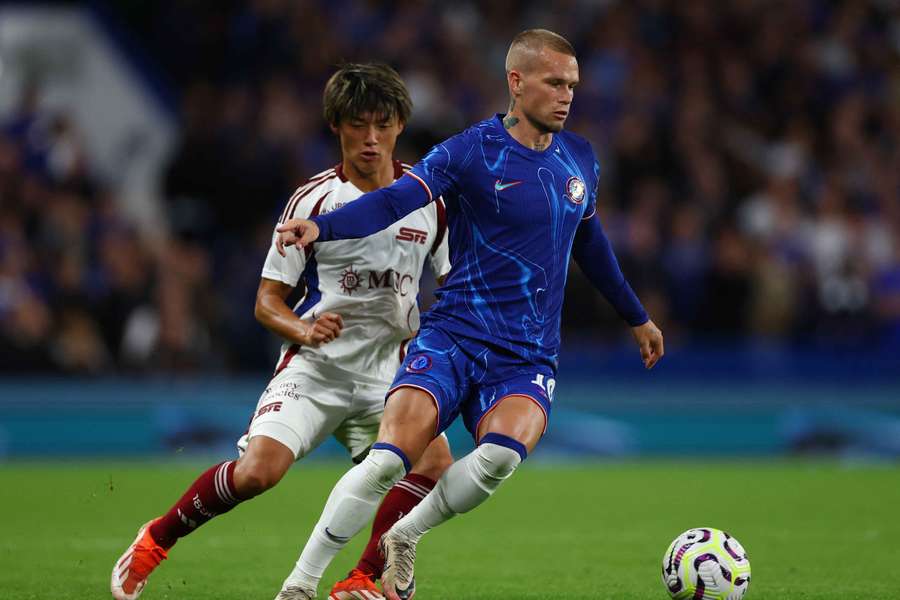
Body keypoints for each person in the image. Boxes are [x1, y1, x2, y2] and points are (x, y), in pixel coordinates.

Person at [272, 29, 664, 600]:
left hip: (526, 353)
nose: (566, 95)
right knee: (387, 462)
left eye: (572, 85)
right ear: (516, 82)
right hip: (454, 335)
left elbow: (591, 243)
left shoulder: (580, 158)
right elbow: (394, 200)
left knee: (502, 454)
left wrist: (637, 316)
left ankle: (403, 536)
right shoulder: (468, 151)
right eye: (554, 82)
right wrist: (323, 227)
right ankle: (299, 586)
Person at [110, 63, 455, 600]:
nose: (370, 138)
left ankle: (362, 578)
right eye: (357, 125)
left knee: (434, 464)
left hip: (390, 373)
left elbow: (453, 284)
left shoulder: (430, 201)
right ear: (336, 127)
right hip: (315, 370)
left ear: (400, 125)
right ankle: (157, 536)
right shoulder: (312, 202)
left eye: (382, 124)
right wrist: (304, 327)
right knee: (256, 475)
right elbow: (266, 301)